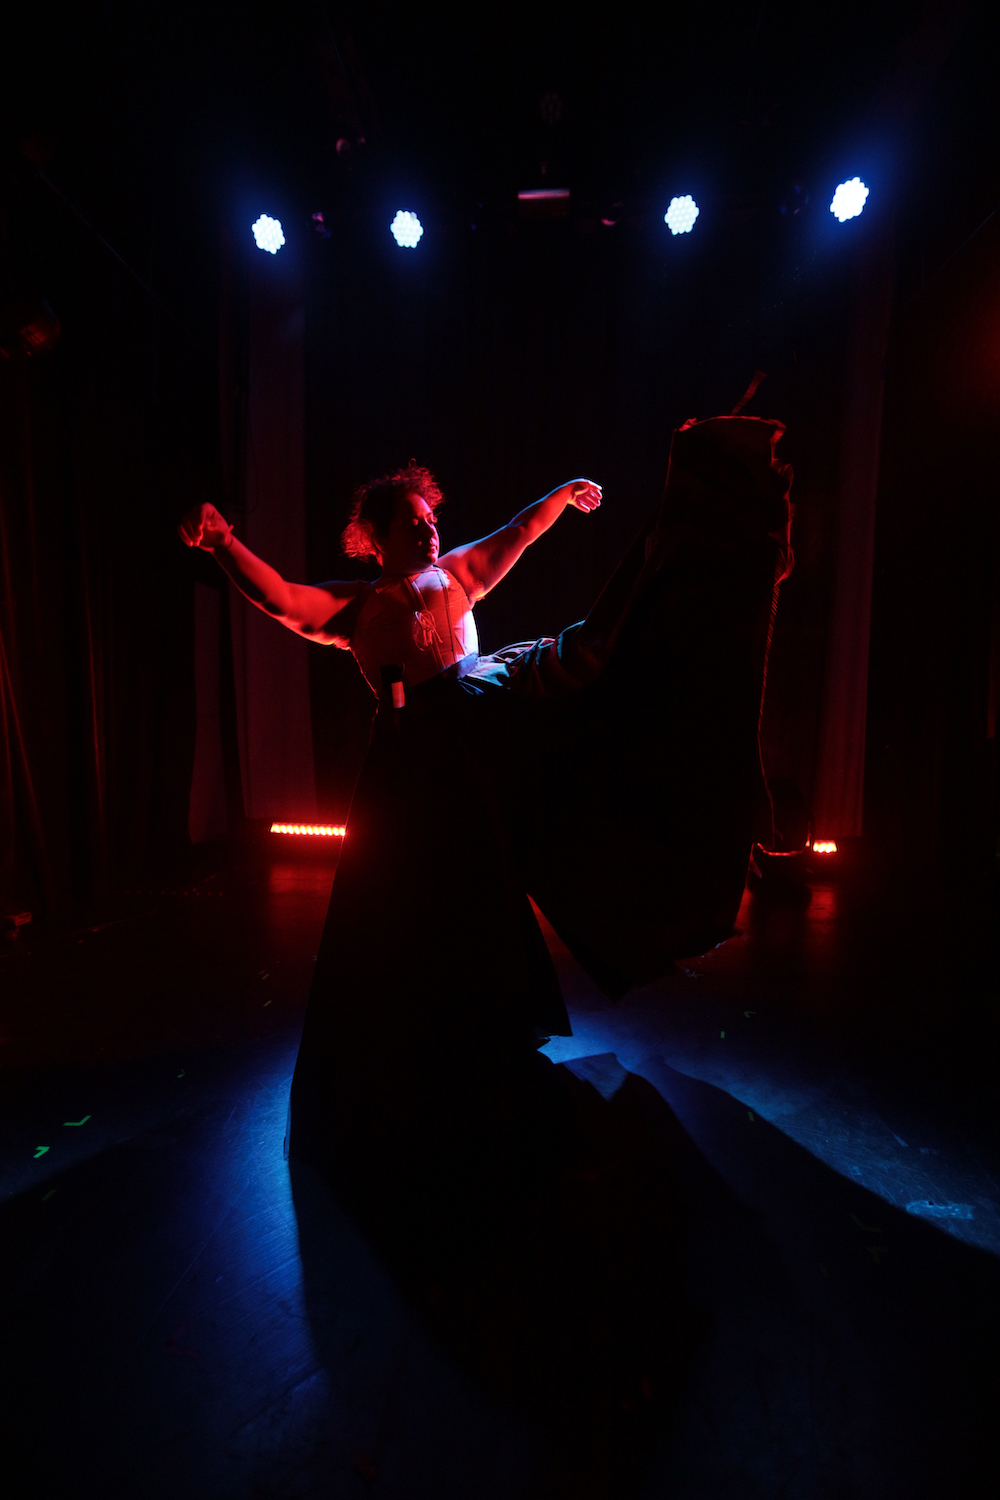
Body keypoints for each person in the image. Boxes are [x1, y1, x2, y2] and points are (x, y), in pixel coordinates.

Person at [178, 418, 793, 1224]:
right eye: (416, 525)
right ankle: (418, 1047)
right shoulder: (355, 608)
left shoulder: (460, 576)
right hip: (408, 770)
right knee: (406, 906)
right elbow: (283, 599)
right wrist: (223, 543)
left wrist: (563, 497)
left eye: (435, 522)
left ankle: (493, 1026)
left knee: (493, 870)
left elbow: (515, 535)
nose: (433, 532)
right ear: (376, 537)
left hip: (477, 738)